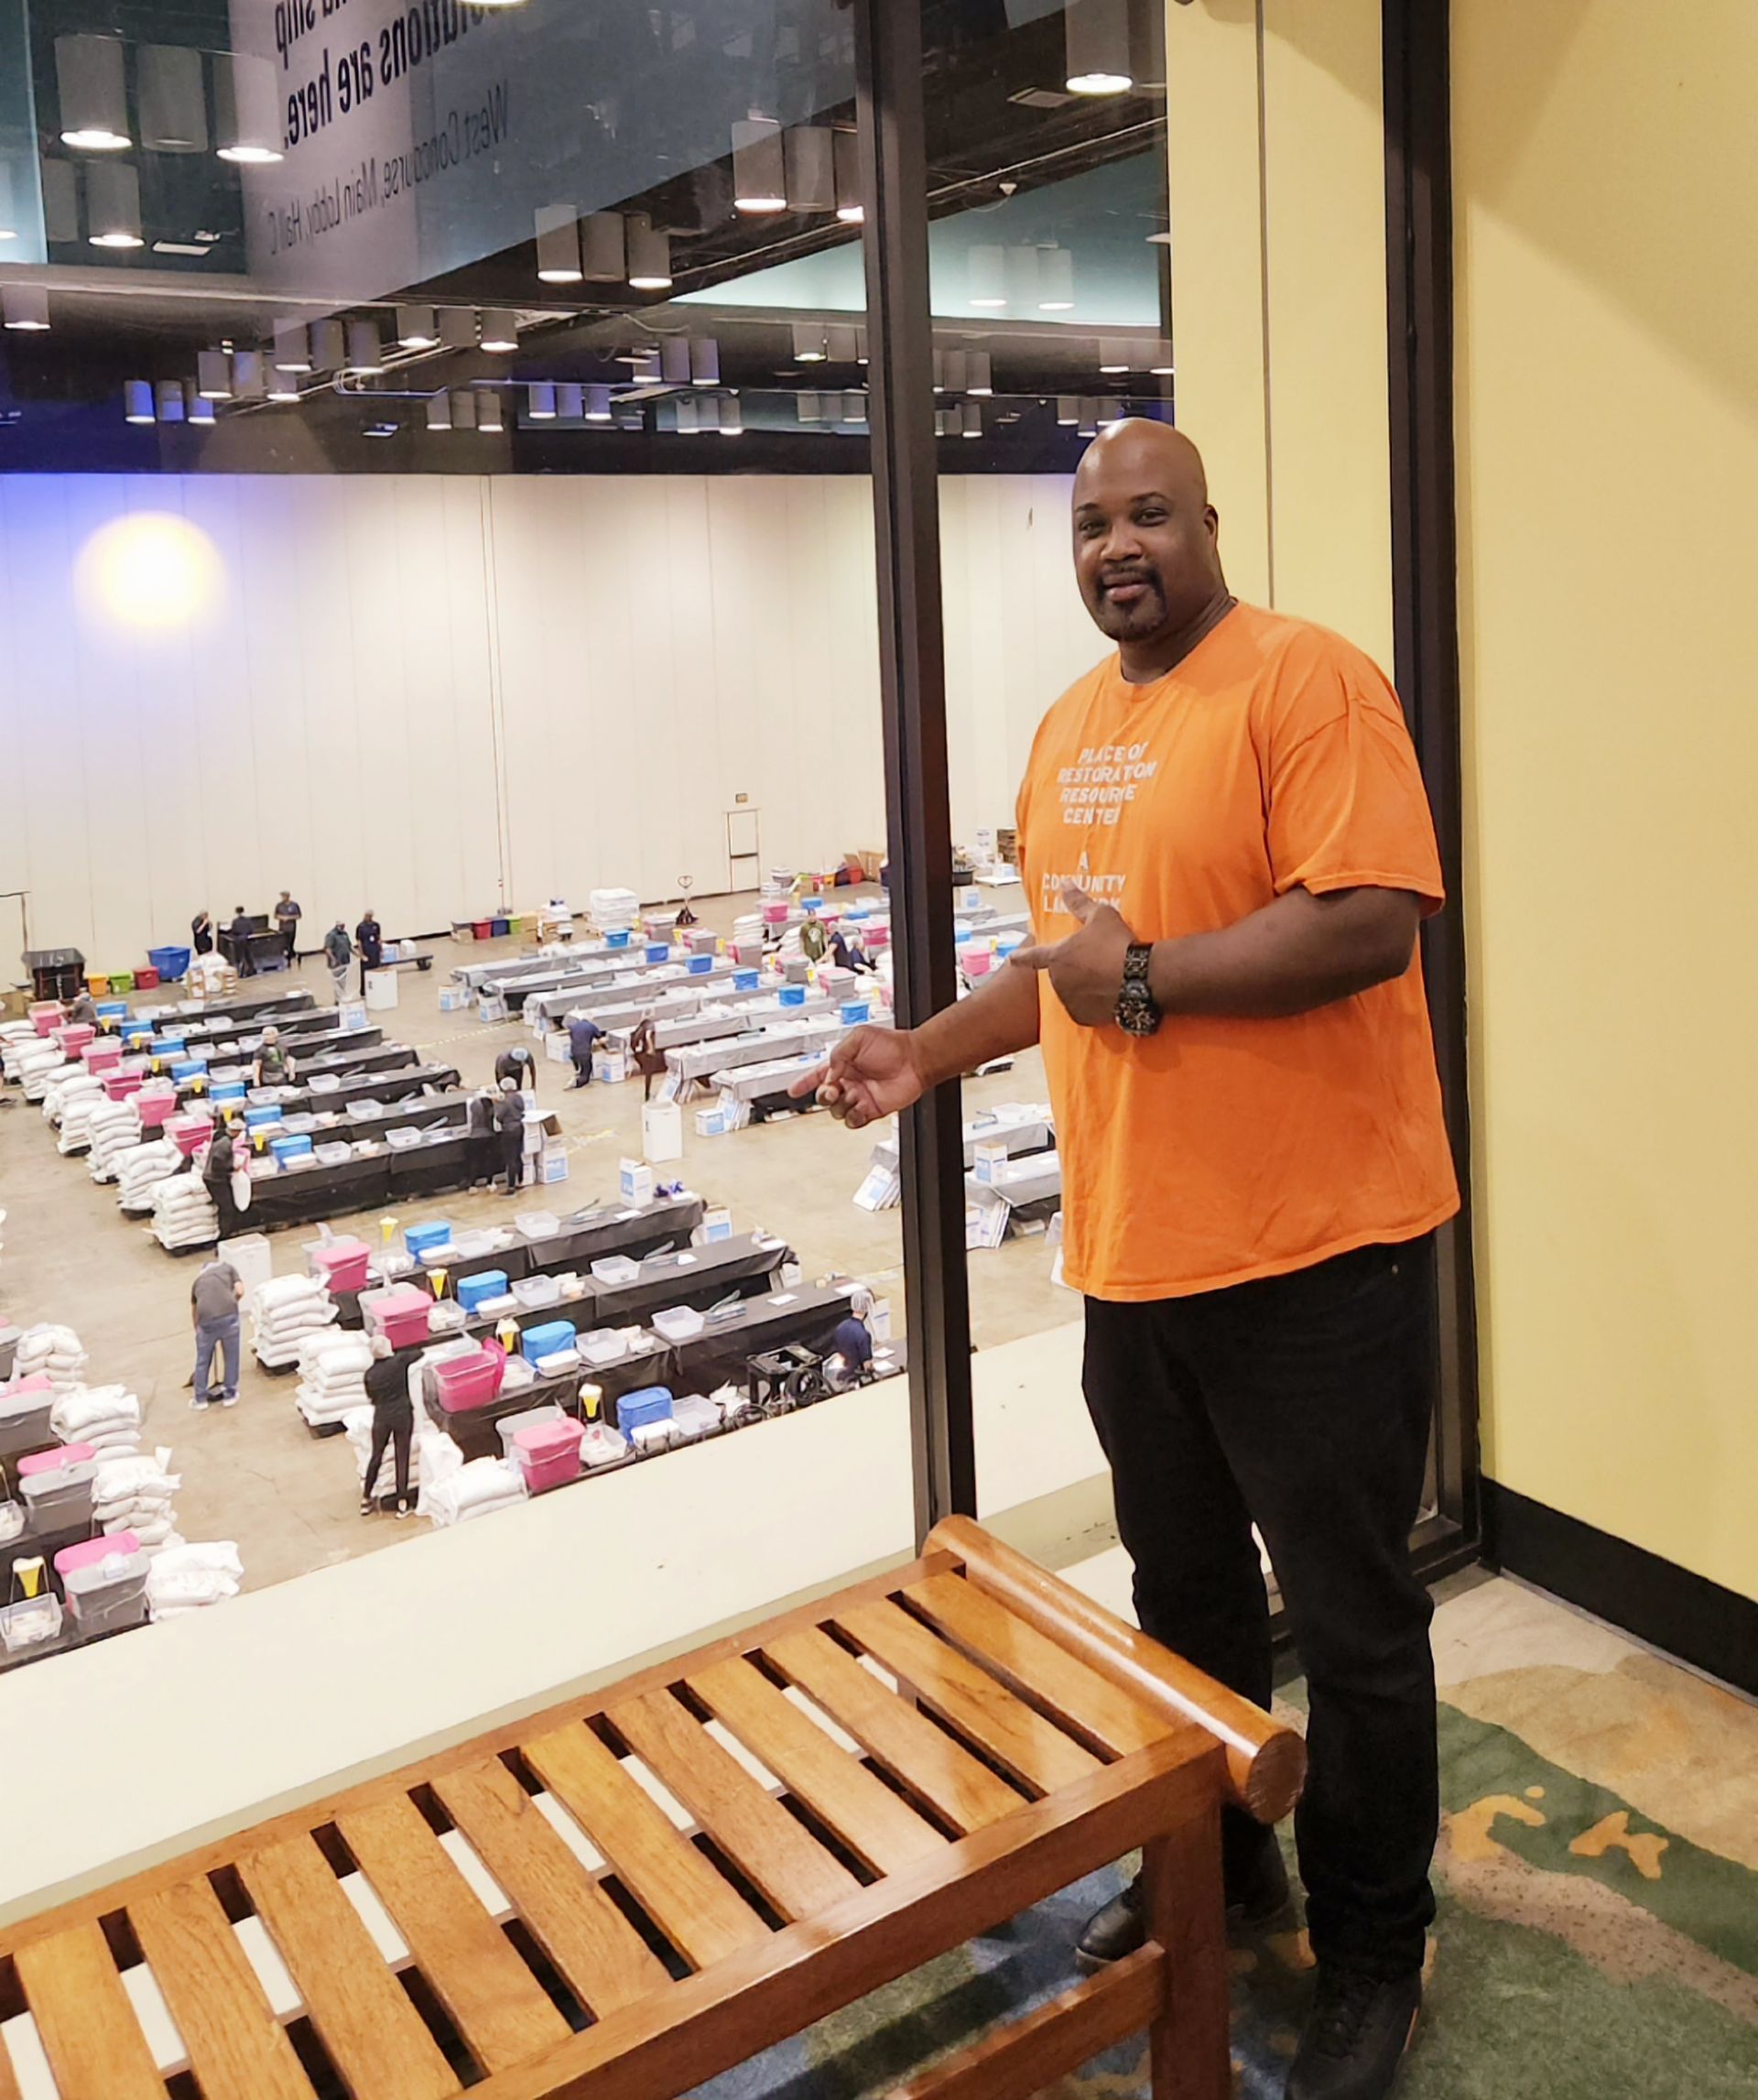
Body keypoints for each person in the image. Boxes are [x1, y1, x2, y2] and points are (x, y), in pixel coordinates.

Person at [795, 420, 1458, 2100]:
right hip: (1138, 1254)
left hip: (1320, 1256)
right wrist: (928, 1050)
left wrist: (1145, 976)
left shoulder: (1306, 683)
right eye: (1090, 523)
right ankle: (1231, 1868)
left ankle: (1379, 1950)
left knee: (1359, 1625)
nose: (1116, 545)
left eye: (1147, 514)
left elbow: (1367, 914)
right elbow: (1061, 966)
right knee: (1184, 1602)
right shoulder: (1070, 729)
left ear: (1207, 524)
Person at [360, 1334, 416, 1518]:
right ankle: (402, 1502)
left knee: (376, 1455)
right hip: (402, 1414)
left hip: (382, 1417)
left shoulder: (370, 1375)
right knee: (402, 1455)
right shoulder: (399, 1362)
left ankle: (366, 1498)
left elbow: (372, 1398)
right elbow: (419, 1353)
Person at [190, 1251, 244, 1409]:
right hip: (229, 1316)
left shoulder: (197, 1282)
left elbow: (194, 1309)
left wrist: (198, 1329)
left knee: (203, 1360)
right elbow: (240, 1291)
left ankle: (200, 1400)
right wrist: (232, 1303)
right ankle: (230, 1395)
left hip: (206, 1322)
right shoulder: (229, 1269)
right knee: (231, 1356)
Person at [828, 1286, 876, 1389]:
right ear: (867, 1308)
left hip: (839, 1374)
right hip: (854, 1377)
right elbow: (868, 1366)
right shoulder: (863, 1335)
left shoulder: (840, 1327)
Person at [494, 1074, 527, 1193]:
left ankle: (511, 1186)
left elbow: (499, 1116)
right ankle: (520, 1180)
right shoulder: (519, 1097)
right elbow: (522, 1109)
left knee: (510, 1159)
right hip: (520, 1127)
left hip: (509, 1130)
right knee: (518, 1155)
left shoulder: (504, 1100)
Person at [630, 1013, 668, 1103]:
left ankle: (648, 1093)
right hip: (646, 1054)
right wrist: (650, 1048)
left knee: (649, 1073)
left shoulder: (641, 1026)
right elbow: (648, 1036)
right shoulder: (650, 1026)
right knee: (649, 1073)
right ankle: (647, 1094)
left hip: (640, 1053)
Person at [567, 1013, 603, 1089]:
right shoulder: (591, 1027)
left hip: (573, 1052)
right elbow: (600, 1039)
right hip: (585, 1053)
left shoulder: (574, 1026)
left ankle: (578, 1073)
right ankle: (576, 1082)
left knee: (582, 1067)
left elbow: (571, 1036)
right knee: (586, 1074)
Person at [253, 1026, 290, 1090]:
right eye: (264, 1035)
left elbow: (287, 1058)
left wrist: (291, 1071)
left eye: (268, 1034)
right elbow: (256, 1065)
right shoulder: (260, 1050)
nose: (265, 1037)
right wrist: (256, 1079)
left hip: (280, 1075)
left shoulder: (281, 1047)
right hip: (267, 1077)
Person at [323, 920, 352, 1004]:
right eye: (341, 926)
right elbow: (327, 948)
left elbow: (349, 946)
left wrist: (360, 955)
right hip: (336, 962)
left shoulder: (345, 934)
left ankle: (341, 997)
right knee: (337, 981)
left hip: (344, 961)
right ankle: (337, 999)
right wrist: (333, 959)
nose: (342, 928)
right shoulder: (331, 935)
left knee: (343, 981)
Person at [355, 908, 384, 993]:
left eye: (370, 916)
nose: (369, 917)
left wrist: (381, 950)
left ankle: (376, 987)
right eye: (367, 916)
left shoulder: (376, 925)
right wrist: (361, 954)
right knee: (365, 971)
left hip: (375, 950)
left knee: (376, 968)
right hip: (366, 950)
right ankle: (364, 990)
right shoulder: (360, 927)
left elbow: (378, 938)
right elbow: (359, 941)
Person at [227, 905, 257, 976]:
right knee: (249, 955)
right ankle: (251, 971)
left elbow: (234, 931)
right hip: (247, 939)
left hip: (239, 940)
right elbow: (251, 930)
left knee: (240, 957)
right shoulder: (248, 920)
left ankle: (241, 973)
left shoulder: (235, 921)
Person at [274, 890, 302, 965]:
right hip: (282, 927)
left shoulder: (294, 905)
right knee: (284, 944)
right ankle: (289, 958)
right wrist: (281, 917)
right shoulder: (279, 905)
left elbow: (298, 916)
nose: (283, 898)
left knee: (290, 943)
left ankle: (292, 956)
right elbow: (275, 915)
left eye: (284, 896)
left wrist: (289, 918)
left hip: (291, 927)